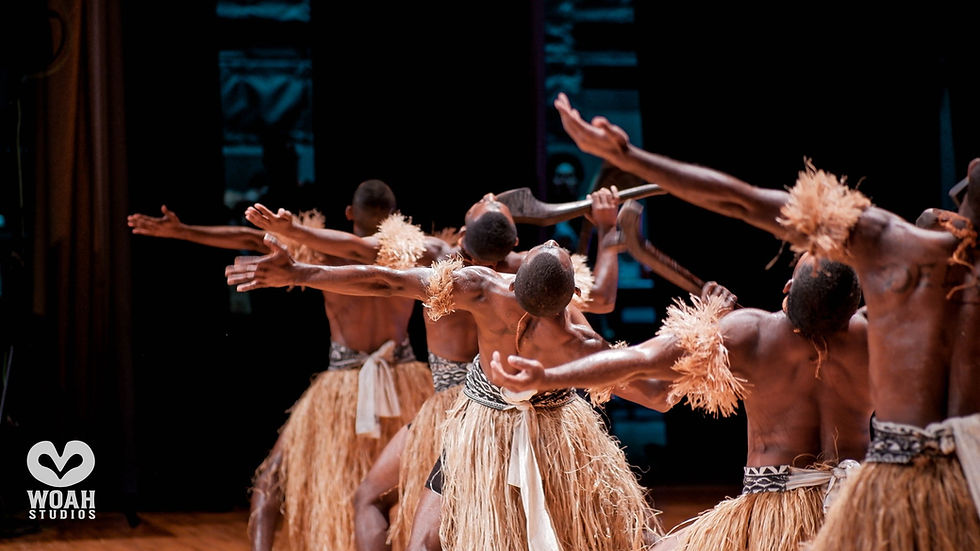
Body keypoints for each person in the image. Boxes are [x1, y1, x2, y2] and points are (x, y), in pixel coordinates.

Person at [553, 92, 980, 549]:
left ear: (785, 296)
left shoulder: (754, 332)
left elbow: (737, 203)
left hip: (775, 517)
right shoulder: (880, 332)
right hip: (883, 499)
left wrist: (554, 370)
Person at [243, 188, 624, 551]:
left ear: (464, 238)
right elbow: (603, 298)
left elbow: (367, 257)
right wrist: (608, 229)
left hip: (460, 412)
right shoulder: (526, 273)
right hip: (507, 406)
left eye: (484, 204)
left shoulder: (448, 265)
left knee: (388, 508)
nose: (490, 196)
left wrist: (294, 243)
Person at [129, 179, 434, 551]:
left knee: (272, 478)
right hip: (406, 385)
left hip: (341, 388)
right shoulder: (415, 254)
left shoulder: (324, 252)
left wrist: (183, 231)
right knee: (413, 480)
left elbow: (249, 237)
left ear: (349, 214)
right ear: (394, 216)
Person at [490, 255, 871, 551]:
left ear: (788, 288)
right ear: (852, 306)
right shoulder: (875, 338)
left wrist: (548, 377)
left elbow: (639, 359)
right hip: (858, 512)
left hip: (773, 517)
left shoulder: (753, 332)